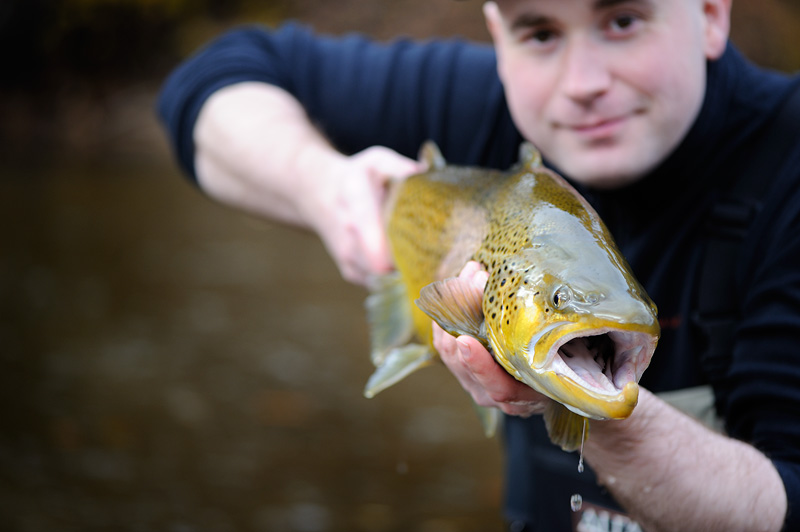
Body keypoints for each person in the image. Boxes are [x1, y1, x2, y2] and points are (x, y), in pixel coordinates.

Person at [157, 0, 800, 530]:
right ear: (498, 35)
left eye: (623, 20)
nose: (582, 83)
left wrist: (607, 421)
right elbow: (210, 78)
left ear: (712, 14)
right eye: (539, 32)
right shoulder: (479, 99)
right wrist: (322, 184)